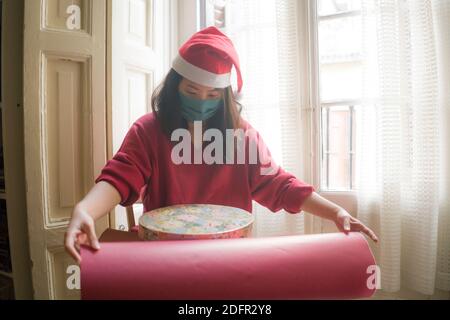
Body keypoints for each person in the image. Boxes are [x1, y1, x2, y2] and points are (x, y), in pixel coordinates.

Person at [65, 26, 378, 263]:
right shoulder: (148, 131)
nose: (202, 101)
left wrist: (336, 211)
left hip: (228, 259)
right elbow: (121, 176)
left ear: (226, 97)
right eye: (192, 89)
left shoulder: (243, 137)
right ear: (175, 87)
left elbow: (281, 185)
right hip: (165, 259)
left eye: (212, 95)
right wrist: (86, 210)